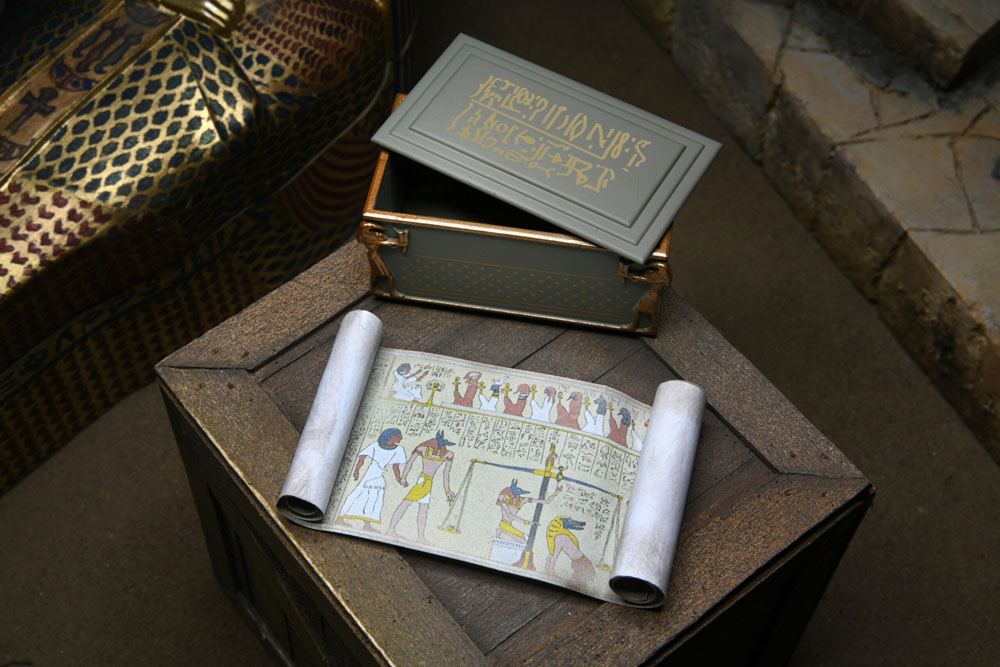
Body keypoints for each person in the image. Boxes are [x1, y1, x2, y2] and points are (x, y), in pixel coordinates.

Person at [387, 430, 456, 543]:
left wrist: (448, 490)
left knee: (422, 509)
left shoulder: (448, 454)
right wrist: (403, 477)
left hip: (428, 483)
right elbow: (410, 462)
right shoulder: (424, 449)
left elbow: (446, 473)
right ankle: (391, 529)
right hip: (423, 481)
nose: (442, 447)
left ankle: (420, 537)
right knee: (407, 504)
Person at [333, 428, 406, 531]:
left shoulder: (399, 450)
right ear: (391, 436)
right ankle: (340, 519)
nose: (400, 438)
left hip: (379, 477)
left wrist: (399, 479)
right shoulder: (375, 446)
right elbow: (362, 457)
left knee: (374, 499)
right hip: (370, 475)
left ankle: (367, 525)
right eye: (398, 436)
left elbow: (395, 467)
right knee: (357, 495)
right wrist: (357, 470)